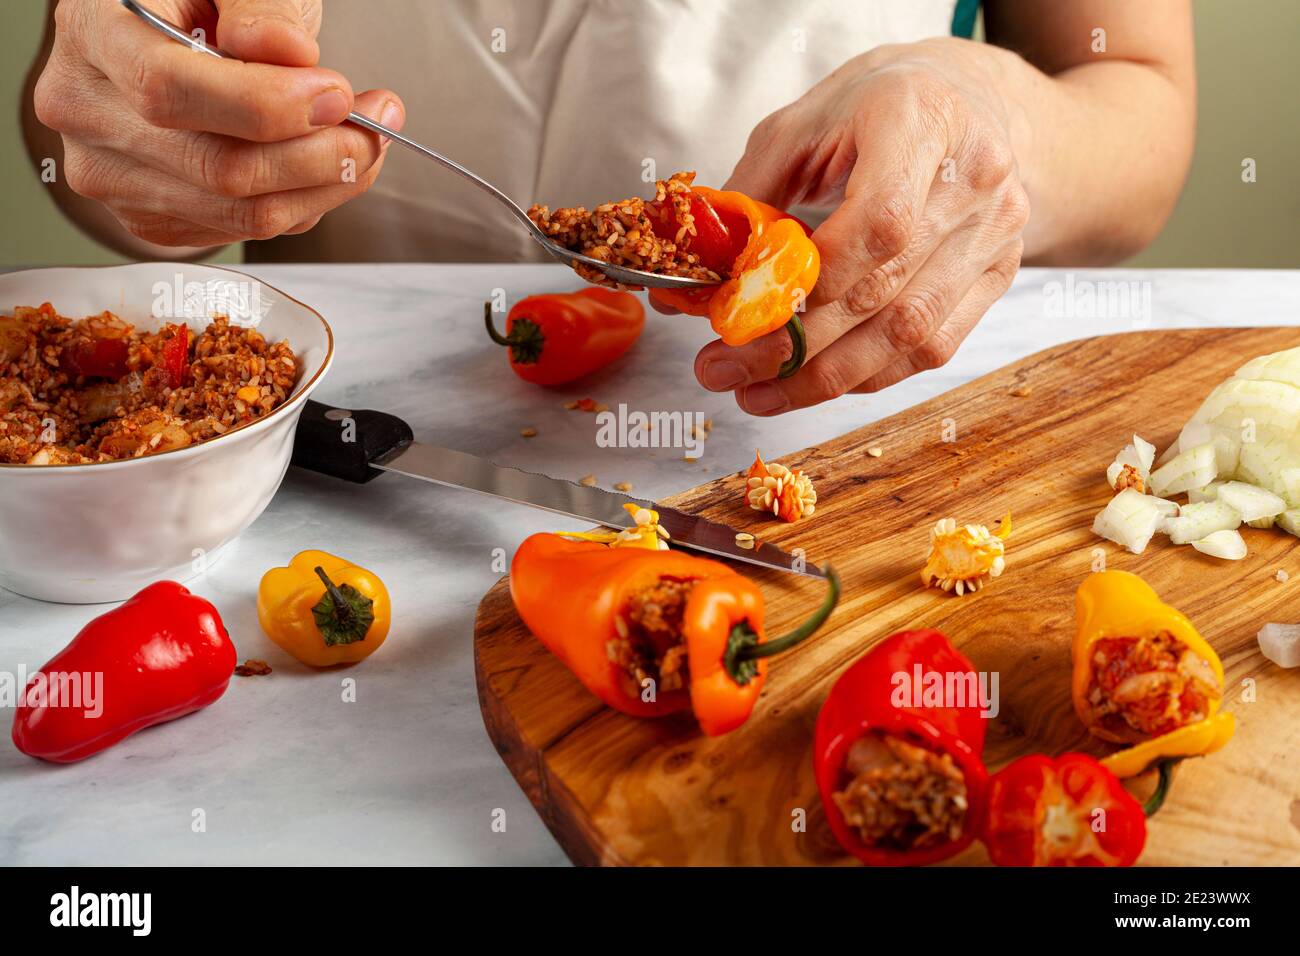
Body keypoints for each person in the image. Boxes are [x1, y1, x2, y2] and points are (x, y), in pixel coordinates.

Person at [23, 0, 1195, 415]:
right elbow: (70, 104)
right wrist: (153, 153)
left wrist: (991, 107)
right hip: (337, 425)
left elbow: (1141, 102)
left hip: (838, 425)